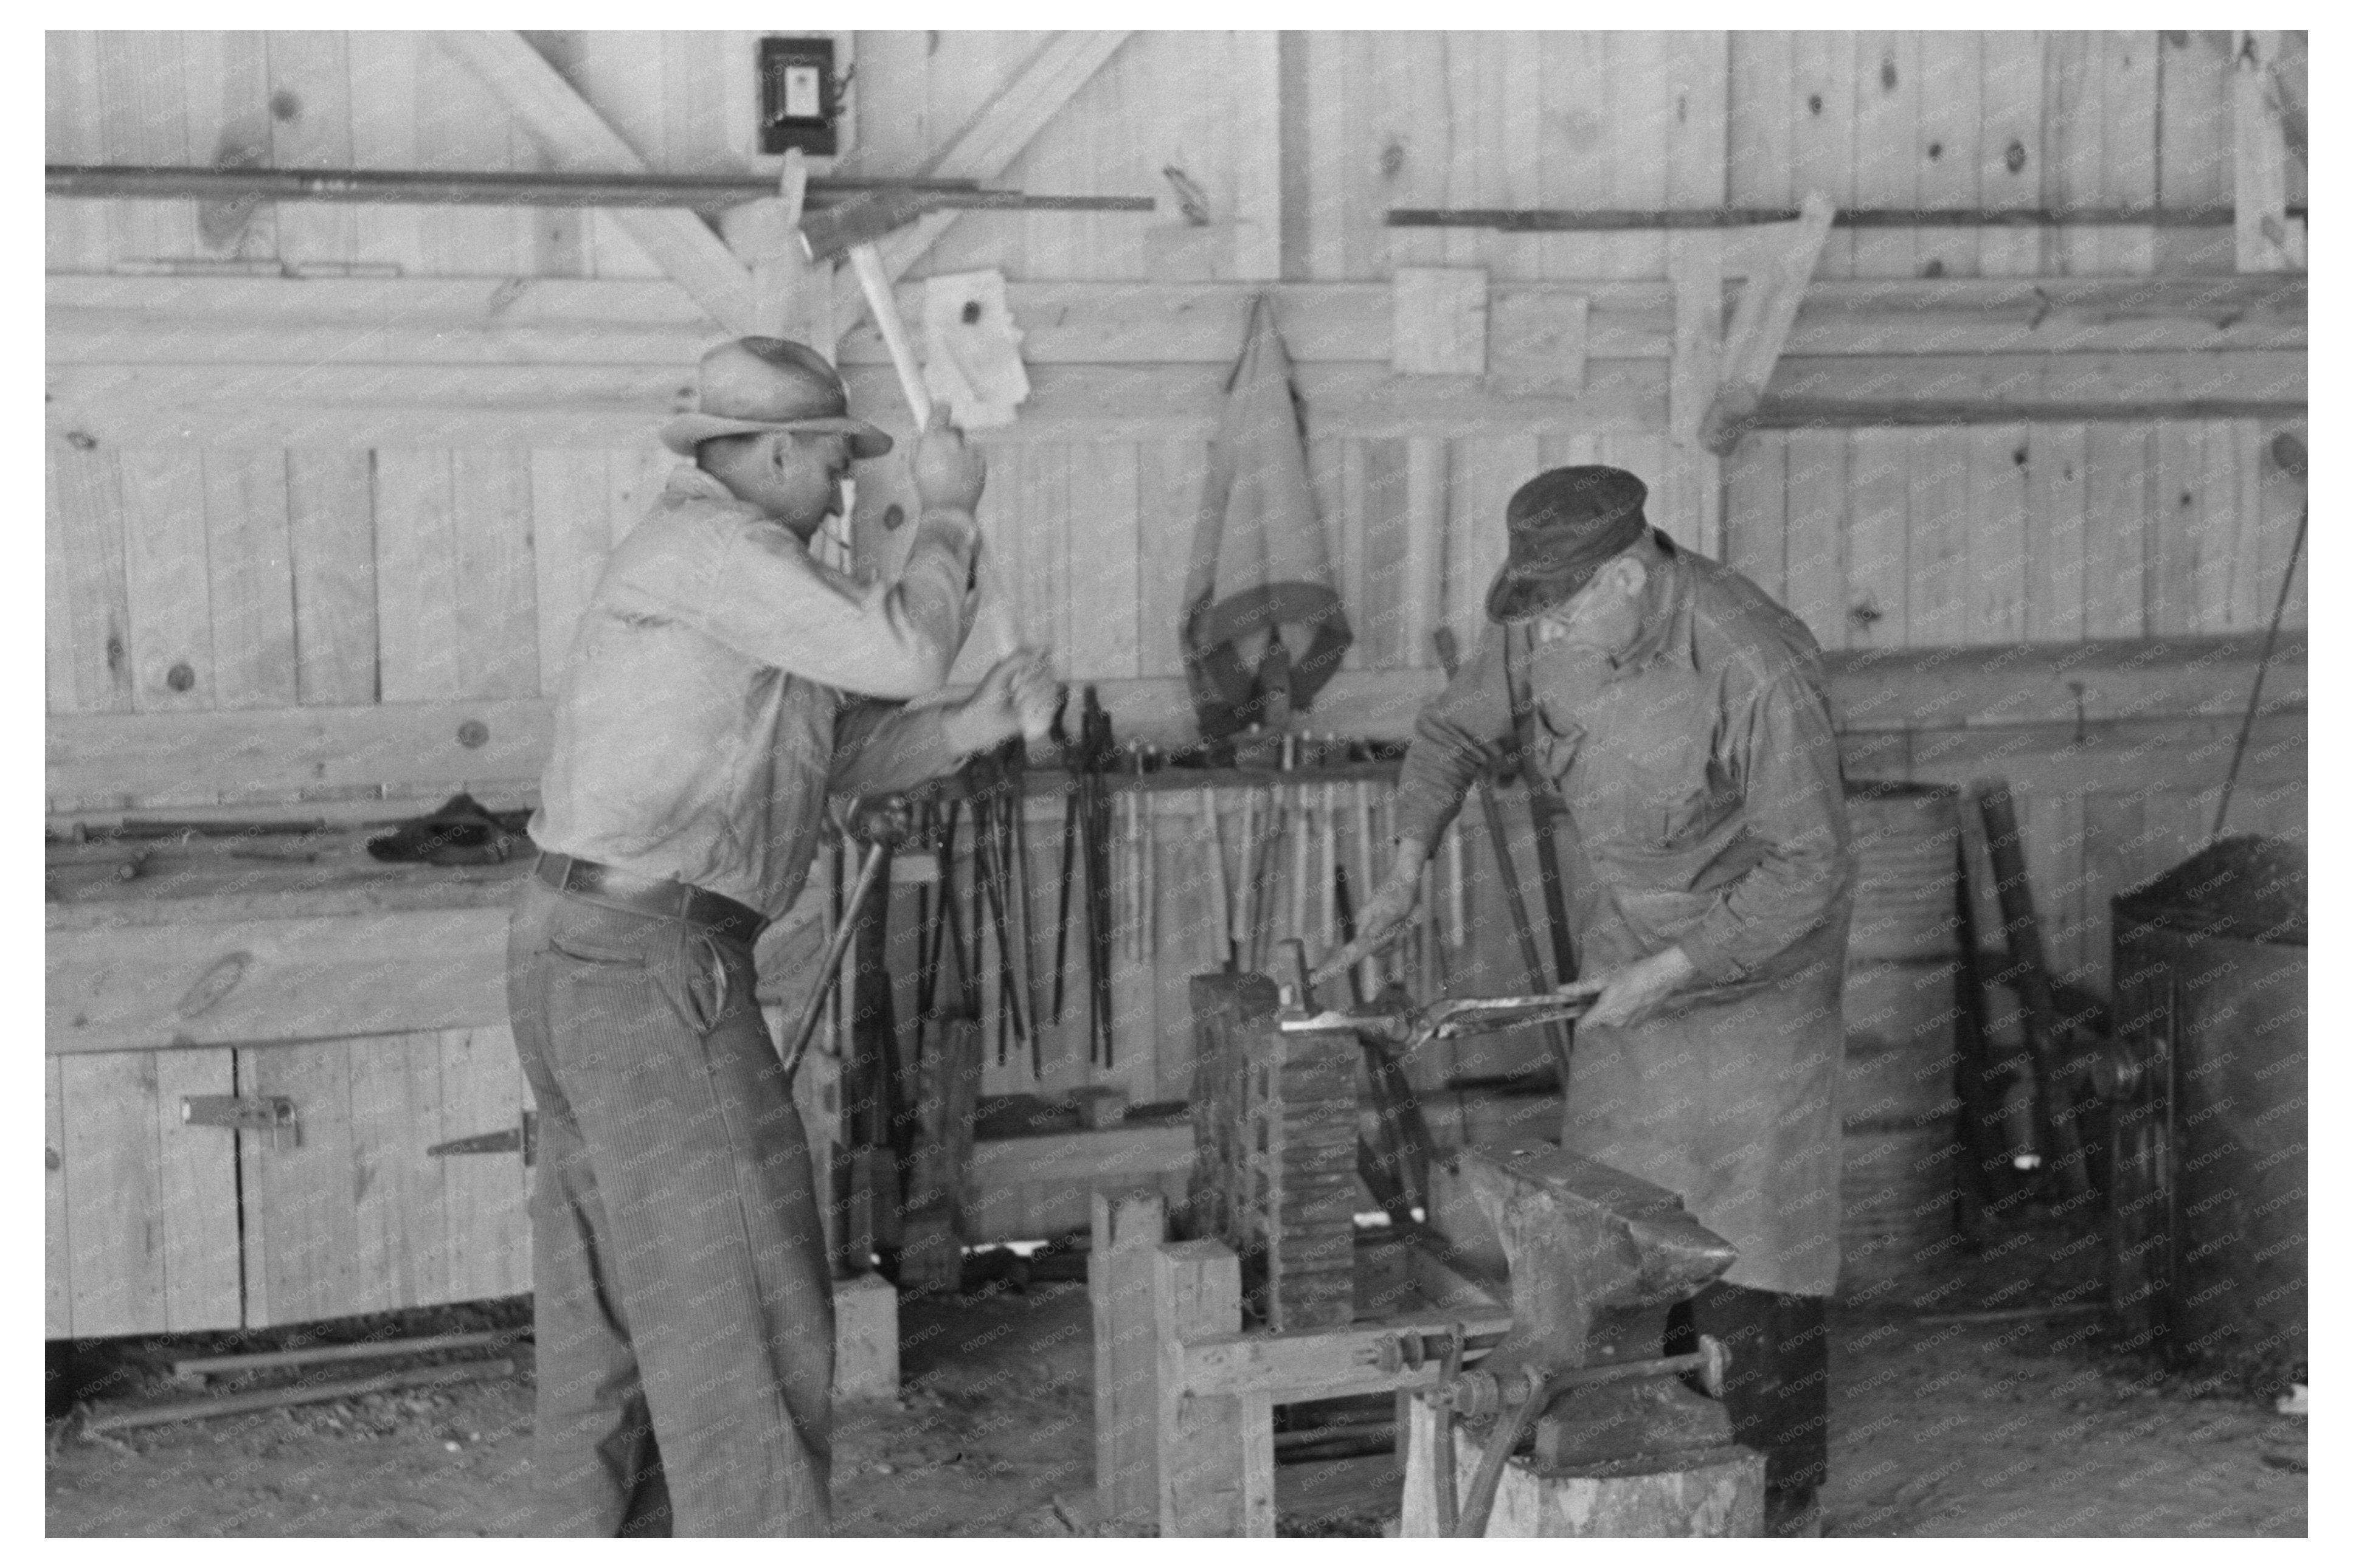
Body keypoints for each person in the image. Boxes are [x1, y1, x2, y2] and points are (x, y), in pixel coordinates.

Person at [508, 337, 1057, 1536]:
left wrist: (973, 723)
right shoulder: (724, 549)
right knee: (745, 1319)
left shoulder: (749, 581)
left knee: (611, 1320)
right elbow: (906, 646)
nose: (843, 490)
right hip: (647, 963)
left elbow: (836, 756)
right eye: (829, 463)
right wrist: (950, 513)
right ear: (765, 454)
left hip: (589, 946)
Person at [1322, 465, 1854, 1536]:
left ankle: (1772, 1491)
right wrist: (1404, 865)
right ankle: (1637, 1457)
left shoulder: (1752, 660)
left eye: (1563, 619)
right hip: (1630, 944)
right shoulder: (1543, 616)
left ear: (1624, 577)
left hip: (1754, 968)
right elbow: (1450, 734)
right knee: (1614, 1211)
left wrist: (1672, 971)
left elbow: (1809, 868)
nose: (1545, 644)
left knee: (1752, 1239)